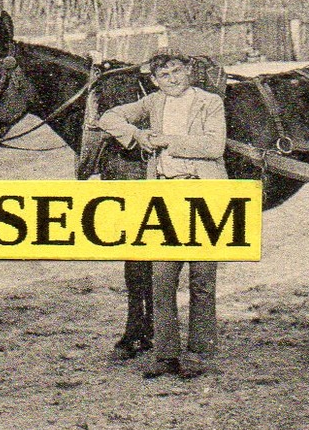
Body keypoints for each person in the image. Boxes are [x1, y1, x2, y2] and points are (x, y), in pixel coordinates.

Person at [97, 54, 227, 380]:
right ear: (155, 80)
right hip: (164, 196)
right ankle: (165, 354)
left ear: (189, 71)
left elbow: (214, 147)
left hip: (203, 194)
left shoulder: (210, 102)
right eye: (164, 74)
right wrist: (136, 135)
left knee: (201, 279)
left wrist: (170, 141)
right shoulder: (153, 103)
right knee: (162, 279)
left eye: (177, 71)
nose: (172, 79)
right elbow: (108, 117)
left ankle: (199, 353)